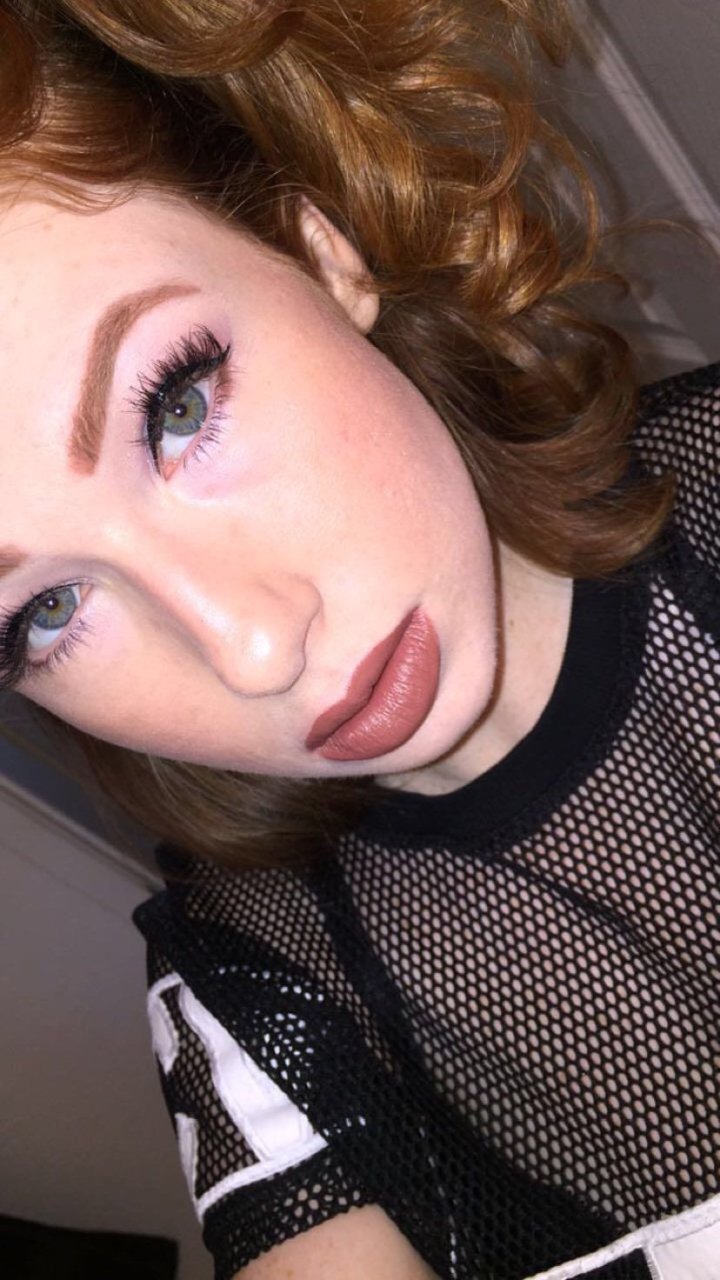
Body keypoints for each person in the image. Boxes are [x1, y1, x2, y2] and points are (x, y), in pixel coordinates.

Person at [0, 1, 717, 1277]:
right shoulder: (254, 998)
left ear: (318, 247)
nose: (254, 647)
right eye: (42, 613)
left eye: (177, 405)